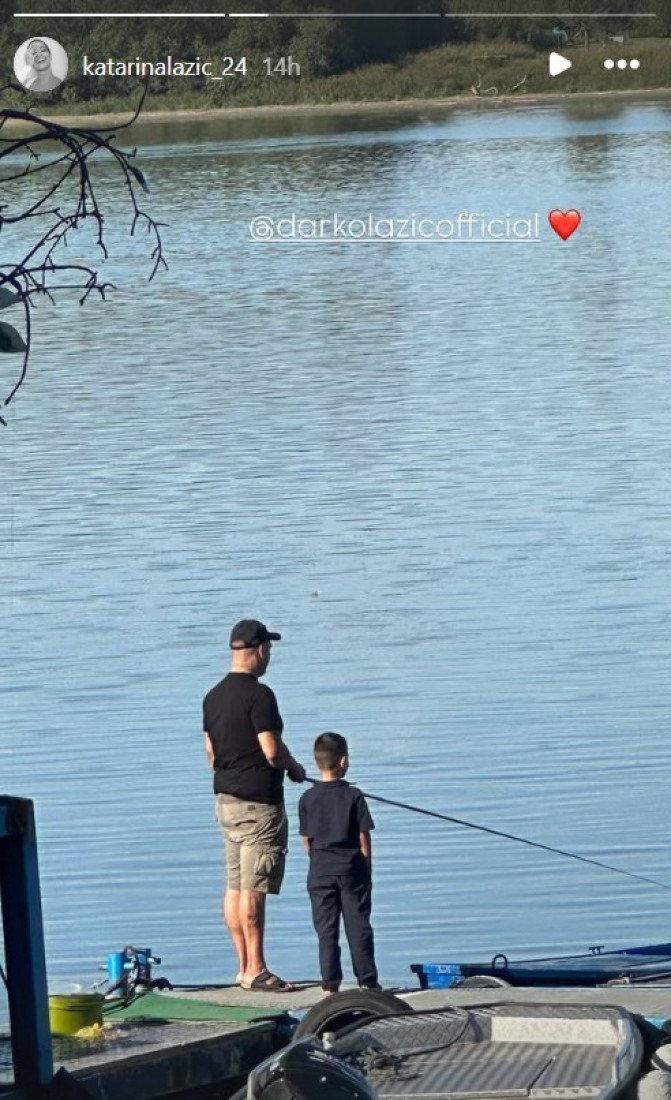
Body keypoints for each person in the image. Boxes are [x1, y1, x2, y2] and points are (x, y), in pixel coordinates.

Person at [203, 618, 306, 992]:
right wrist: (294, 769)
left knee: (234, 885)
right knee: (254, 887)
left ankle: (242, 968)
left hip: (225, 802)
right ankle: (258, 969)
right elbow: (272, 750)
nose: (269, 658)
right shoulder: (260, 696)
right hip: (260, 805)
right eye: (269, 650)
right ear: (260, 649)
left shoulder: (212, 697)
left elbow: (211, 753)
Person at [298, 732, 379, 995]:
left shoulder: (307, 799)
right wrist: (366, 868)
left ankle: (330, 986)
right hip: (351, 870)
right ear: (344, 761)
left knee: (326, 931)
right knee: (358, 927)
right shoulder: (354, 796)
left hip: (320, 872)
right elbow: (363, 838)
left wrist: (318, 860)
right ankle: (367, 982)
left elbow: (307, 841)